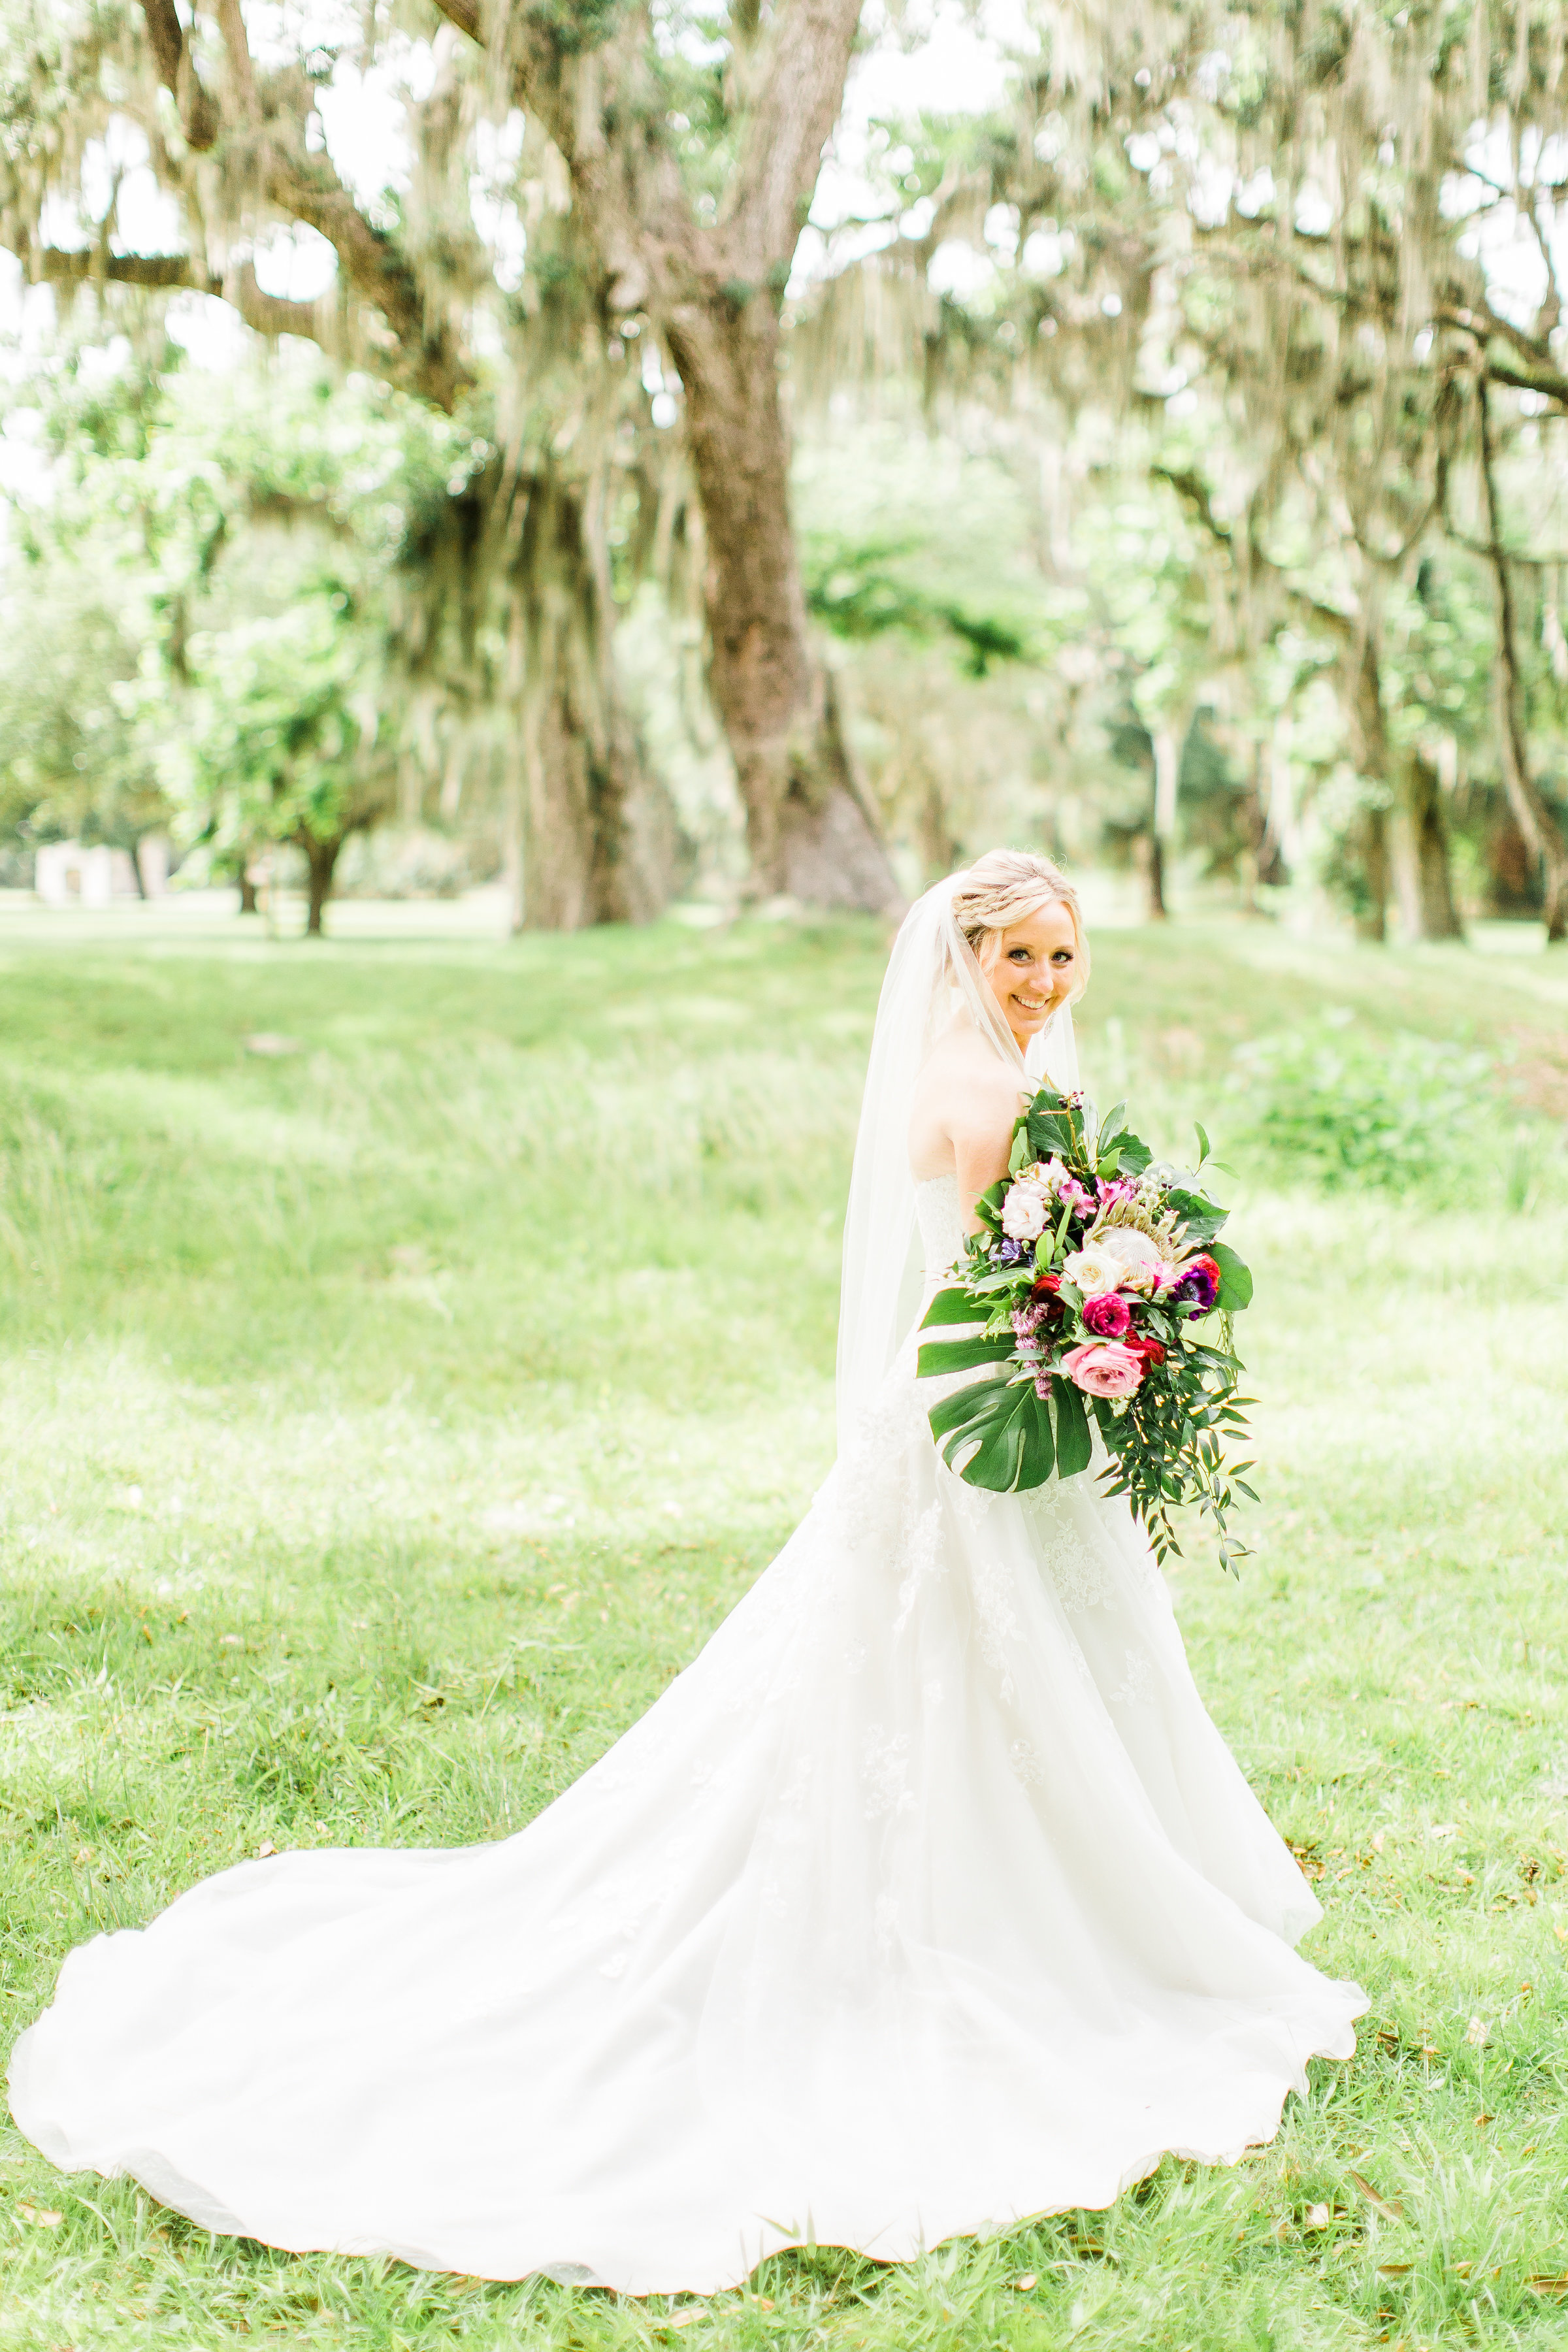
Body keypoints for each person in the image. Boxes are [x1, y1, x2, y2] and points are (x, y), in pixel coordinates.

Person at [9, 851, 1365, 2297]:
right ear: (963, 959)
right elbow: (1004, 1285)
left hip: (994, 1413)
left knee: (1021, 1671)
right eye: (1016, 959)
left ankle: (1098, 1893)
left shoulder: (1007, 1078)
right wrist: (1109, 1302)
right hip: (978, 1424)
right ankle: (1022, 1931)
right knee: (949, 1673)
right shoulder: (984, 1097)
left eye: (1062, 957)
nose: (1041, 985)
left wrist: (1124, 1293)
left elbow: (1045, 1265)